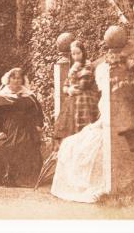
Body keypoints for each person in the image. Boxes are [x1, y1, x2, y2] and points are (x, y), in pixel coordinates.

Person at [0, 68, 44, 188]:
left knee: (26, 145)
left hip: (26, 128)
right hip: (7, 128)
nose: (16, 81)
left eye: (19, 78)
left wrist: (38, 125)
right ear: (9, 79)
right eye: (14, 78)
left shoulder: (29, 96)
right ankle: (3, 177)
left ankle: (22, 178)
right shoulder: (1, 96)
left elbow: (37, 113)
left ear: (23, 80)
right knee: (0, 149)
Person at [51, 59, 108, 203]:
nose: (99, 81)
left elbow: (105, 119)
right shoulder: (103, 95)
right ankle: (75, 182)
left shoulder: (103, 96)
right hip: (97, 127)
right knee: (69, 142)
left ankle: (81, 183)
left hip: (103, 130)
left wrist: (93, 126)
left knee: (77, 146)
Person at [53, 40, 100, 141]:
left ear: (83, 52)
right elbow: (65, 85)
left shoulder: (87, 65)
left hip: (85, 100)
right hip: (72, 101)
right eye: (73, 54)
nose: (76, 56)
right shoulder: (73, 67)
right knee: (70, 129)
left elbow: (83, 84)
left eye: (78, 53)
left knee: (84, 129)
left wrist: (73, 73)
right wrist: (69, 89)